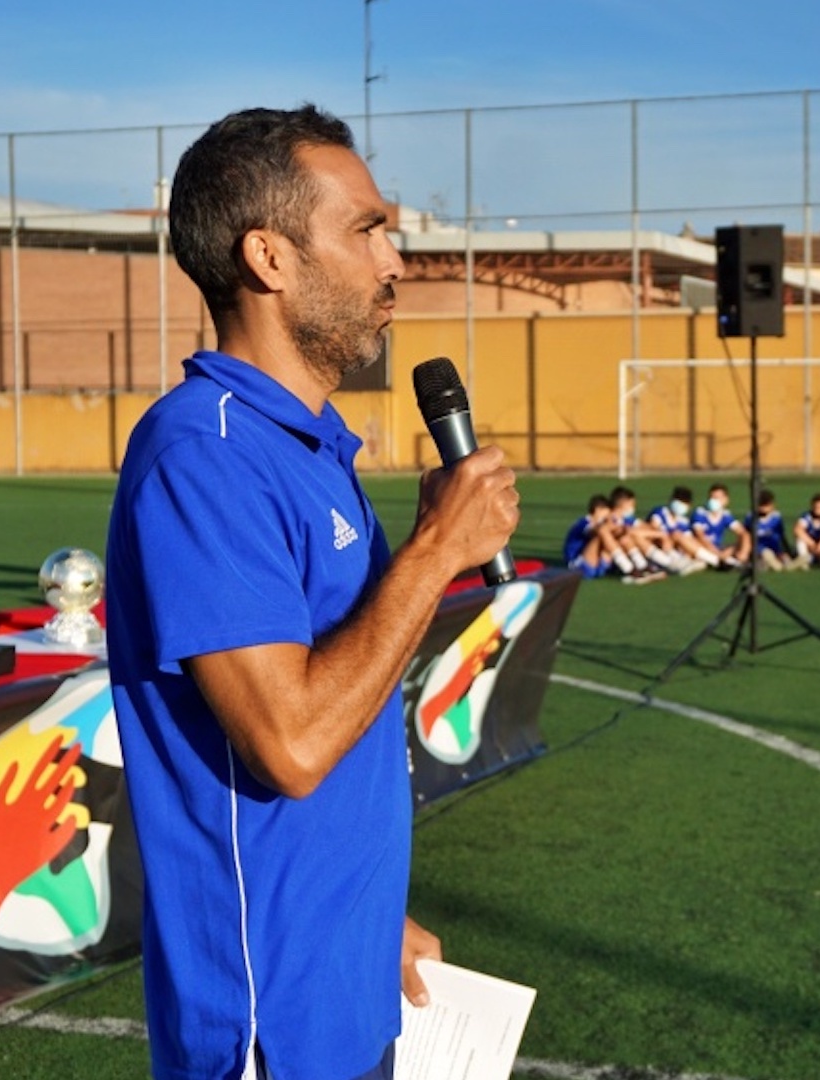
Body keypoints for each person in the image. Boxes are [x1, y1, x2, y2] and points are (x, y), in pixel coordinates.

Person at [106, 106, 519, 1080]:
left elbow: (342, 713)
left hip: (346, 980)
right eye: (366, 229)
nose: (395, 260)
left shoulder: (309, 446)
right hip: (270, 1024)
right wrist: (435, 551)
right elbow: (289, 745)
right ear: (270, 258)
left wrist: (369, 917)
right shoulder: (204, 457)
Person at [564, 494, 627, 579]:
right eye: (606, 511)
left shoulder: (600, 524)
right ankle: (627, 567)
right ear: (598, 510)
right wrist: (611, 523)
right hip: (578, 564)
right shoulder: (583, 522)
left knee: (611, 535)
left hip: (594, 564)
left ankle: (624, 565)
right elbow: (595, 531)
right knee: (602, 533)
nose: (608, 515)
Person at [691, 483, 752, 568]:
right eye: (711, 497)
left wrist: (741, 552)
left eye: (717, 498)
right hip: (703, 548)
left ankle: (739, 561)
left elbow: (742, 533)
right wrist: (717, 553)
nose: (713, 501)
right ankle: (722, 561)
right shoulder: (700, 513)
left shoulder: (725, 514)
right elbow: (700, 535)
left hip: (718, 548)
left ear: (725, 500)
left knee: (745, 539)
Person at [650, 485, 709, 572]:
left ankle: (706, 559)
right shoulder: (660, 512)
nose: (680, 506)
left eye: (683, 503)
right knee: (673, 536)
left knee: (686, 544)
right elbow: (653, 530)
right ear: (671, 500)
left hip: (674, 551)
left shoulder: (683, 521)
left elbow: (688, 540)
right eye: (678, 501)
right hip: (658, 549)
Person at [754, 488, 790, 569]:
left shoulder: (776, 517)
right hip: (761, 551)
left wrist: (785, 551)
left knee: (785, 561)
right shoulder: (752, 518)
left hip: (776, 550)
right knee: (771, 560)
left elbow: (782, 536)